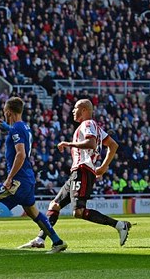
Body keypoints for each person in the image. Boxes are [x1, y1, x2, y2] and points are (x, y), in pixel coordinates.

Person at [0, 97, 67, 253]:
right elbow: (17, 134)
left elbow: (20, 155)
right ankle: (57, 241)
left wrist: (9, 178)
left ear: (8, 112)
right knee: (32, 212)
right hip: (28, 179)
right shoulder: (24, 127)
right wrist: (5, 126)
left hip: (17, 181)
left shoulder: (16, 128)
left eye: (4, 112)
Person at [19, 99, 131, 249]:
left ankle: (119, 225)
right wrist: (103, 167)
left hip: (83, 169)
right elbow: (113, 145)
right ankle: (40, 239)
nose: (73, 111)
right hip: (78, 170)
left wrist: (68, 144)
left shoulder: (87, 124)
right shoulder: (96, 128)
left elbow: (91, 143)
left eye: (75, 108)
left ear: (84, 109)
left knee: (78, 211)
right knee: (55, 204)